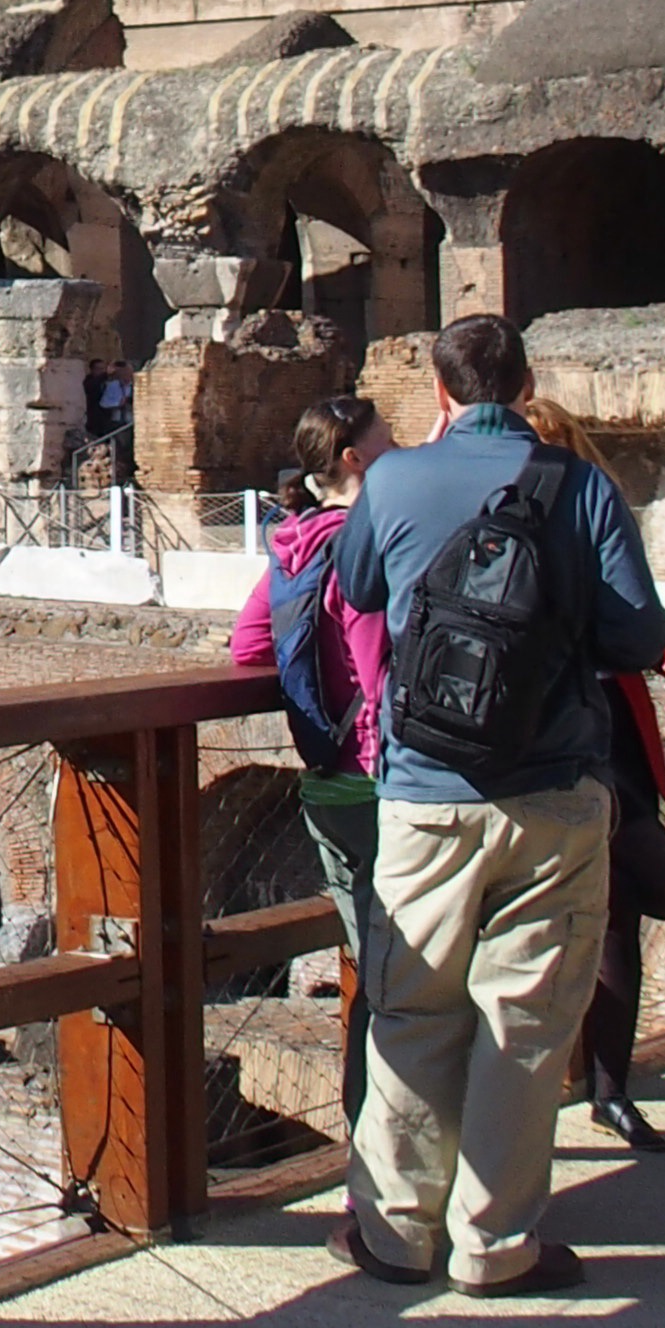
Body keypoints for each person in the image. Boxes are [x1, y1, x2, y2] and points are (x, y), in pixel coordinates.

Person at [329, 312, 665, 1294]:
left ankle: (395, 1235)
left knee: (409, 1009)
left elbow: (356, 586)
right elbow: (634, 632)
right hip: (553, 791)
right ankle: (493, 1247)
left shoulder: (394, 479)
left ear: (440, 393)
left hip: (425, 791)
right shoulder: (579, 486)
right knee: (524, 1026)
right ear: (525, 386)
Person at [519, 396, 665, 1154]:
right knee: (540, 921)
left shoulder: (594, 517)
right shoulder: (494, 527)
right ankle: (534, 1102)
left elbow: (635, 610)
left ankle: (611, 1090)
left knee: (627, 906)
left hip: (610, 737)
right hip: (538, 739)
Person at [226, 394, 391, 1130]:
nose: (399, 448)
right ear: (354, 456)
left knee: (376, 970)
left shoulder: (293, 543)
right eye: (388, 438)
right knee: (418, 979)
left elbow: (248, 648)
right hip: (387, 778)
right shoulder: (368, 543)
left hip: (329, 782)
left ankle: (367, 1134)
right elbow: (381, 669)